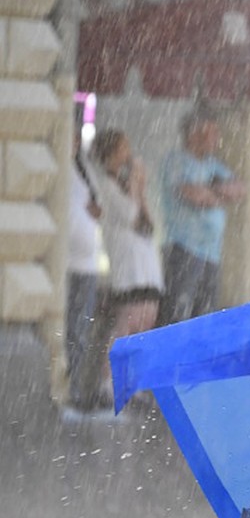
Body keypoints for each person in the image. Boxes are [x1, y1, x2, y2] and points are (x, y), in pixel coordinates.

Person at [89, 128, 164, 404]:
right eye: (123, 147)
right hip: (128, 266)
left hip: (145, 266)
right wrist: (135, 185)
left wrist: (141, 191)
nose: (128, 152)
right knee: (126, 324)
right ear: (111, 152)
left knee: (145, 322)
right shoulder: (107, 185)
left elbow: (147, 223)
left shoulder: (123, 184)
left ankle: (134, 382)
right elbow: (128, 215)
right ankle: (107, 383)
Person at [159, 108, 244, 323]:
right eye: (213, 133)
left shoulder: (212, 165)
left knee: (206, 317)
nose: (217, 139)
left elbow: (239, 189)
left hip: (211, 254)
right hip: (184, 250)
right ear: (195, 134)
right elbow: (194, 195)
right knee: (179, 314)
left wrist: (210, 190)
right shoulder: (177, 161)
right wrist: (216, 191)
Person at [63, 125, 104, 418]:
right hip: (67, 263)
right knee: (68, 328)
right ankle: (67, 388)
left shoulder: (83, 168)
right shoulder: (55, 165)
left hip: (87, 264)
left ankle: (76, 387)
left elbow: (98, 207)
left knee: (80, 329)